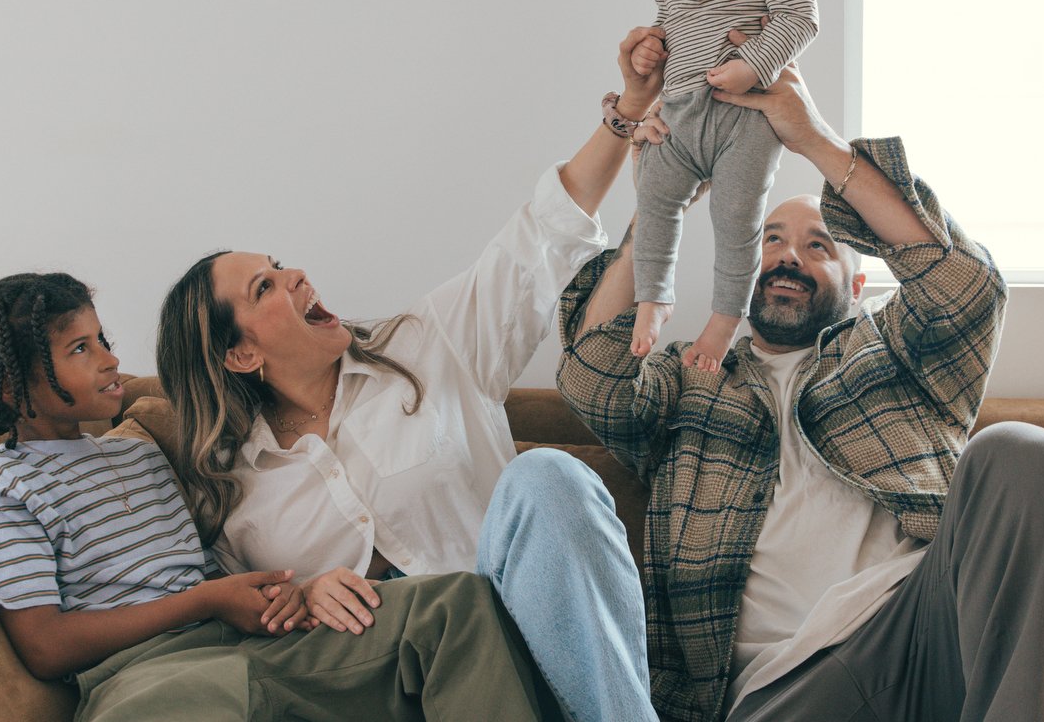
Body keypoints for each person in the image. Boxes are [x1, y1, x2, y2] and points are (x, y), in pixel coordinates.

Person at [557, 37, 1044, 722]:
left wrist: (813, 138)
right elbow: (593, 379)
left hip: (924, 633)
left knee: (1028, 453)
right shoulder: (687, 383)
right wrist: (658, 204)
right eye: (768, 240)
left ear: (856, 285)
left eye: (817, 245)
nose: (788, 256)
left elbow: (966, 288)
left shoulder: (899, 354)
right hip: (786, 694)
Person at [153, 49, 666, 722]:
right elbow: (259, 646)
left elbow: (540, 235)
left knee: (546, 476)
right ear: (240, 354)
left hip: (545, 658)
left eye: (279, 265)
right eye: (265, 287)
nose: (296, 275)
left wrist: (628, 111)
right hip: (400, 692)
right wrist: (305, 600)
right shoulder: (231, 491)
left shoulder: (428, 343)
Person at [0, 271, 558, 722]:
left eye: (103, 338)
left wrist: (298, 593)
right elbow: (46, 647)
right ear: (9, 386)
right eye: (80, 349)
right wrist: (206, 601)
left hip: (251, 645)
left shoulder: (138, 453)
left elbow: (216, 564)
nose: (111, 359)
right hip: (147, 680)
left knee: (452, 602)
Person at [622, 0, 820, 371]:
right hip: (680, 114)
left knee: (737, 221)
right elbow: (670, 36)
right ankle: (654, 296)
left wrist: (753, 63)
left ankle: (725, 317)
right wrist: (650, 51)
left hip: (744, 119)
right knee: (654, 199)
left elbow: (801, 16)